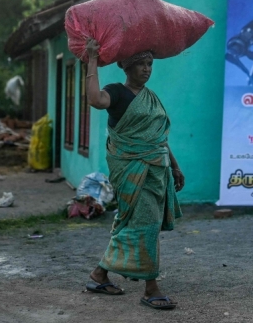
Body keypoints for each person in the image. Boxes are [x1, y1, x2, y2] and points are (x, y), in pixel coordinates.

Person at [84, 38, 185, 310]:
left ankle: (98, 275)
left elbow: (157, 138)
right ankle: (151, 288)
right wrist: (92, 59)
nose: (146, 69)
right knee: (146, 225)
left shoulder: (151, 98)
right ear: (127, 68)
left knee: (132, 224)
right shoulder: (117, 91)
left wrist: (174, 165)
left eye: (149, 64)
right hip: (132, 170)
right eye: (140, 64)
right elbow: (95, 99)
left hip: (157, 170)